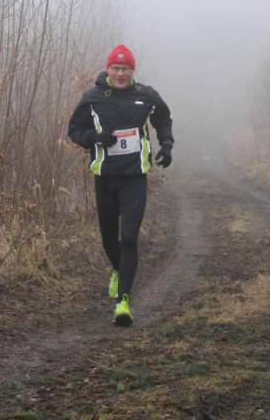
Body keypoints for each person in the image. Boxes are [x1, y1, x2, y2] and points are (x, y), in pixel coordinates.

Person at [67, 44, 174, 326]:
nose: (120, 73)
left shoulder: (145, 96)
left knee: (128, 238)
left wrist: (166, 144)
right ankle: (118, 271)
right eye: (116, 68)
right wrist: (95, 138)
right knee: (108, 239)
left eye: (126, 68)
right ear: (108, 69)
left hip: (135, 178)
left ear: (133, 71)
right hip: (105, 179)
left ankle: (123, 301)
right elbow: (74, 131)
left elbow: (162, 118)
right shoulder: (93, 98)